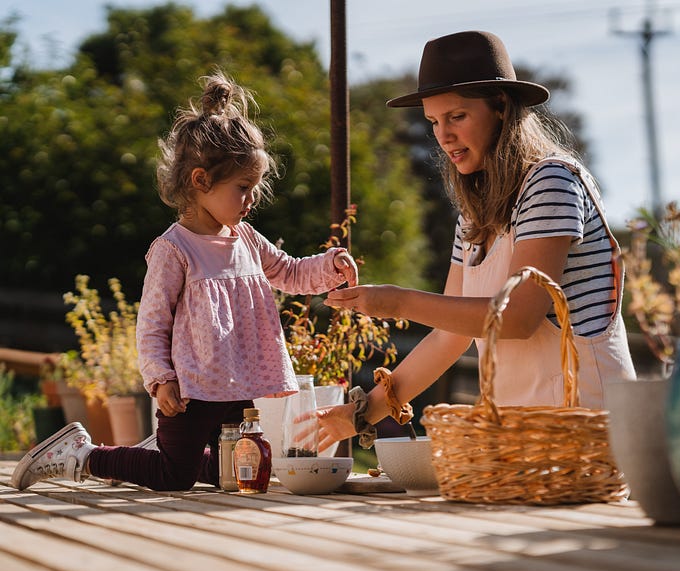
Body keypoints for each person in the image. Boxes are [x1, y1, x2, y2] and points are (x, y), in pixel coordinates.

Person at [10, 71, 358, 491]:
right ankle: (82, 456)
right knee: (173, 477)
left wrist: (331, 265)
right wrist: (160, 379)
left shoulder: (245, 237)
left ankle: (150, 453)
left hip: (238, 385)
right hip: (191, 390)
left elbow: (287, 270)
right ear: (200, 180)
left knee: (233, 474)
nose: (252, 199)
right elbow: (153, 322)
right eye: (243, 187)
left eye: (256, 188)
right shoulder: (173, 250)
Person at [315, 31, 636, 451]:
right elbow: (450, 336)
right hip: (517, 437)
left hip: (586, 429)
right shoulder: (473, 213)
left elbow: (520, 317)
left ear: (501, 107)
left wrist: (399, 303)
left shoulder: (550, 181)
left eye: (457, 116)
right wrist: (360, 413)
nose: (443, 135)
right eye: (433, 122)